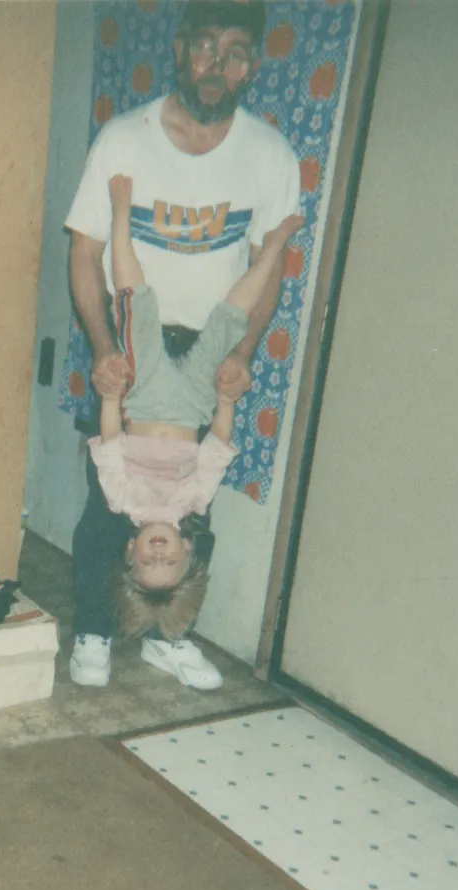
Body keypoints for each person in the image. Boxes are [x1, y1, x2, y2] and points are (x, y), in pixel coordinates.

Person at [66, 0, 300, 690]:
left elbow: (270, 269)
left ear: (251, 64)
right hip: (131, 346)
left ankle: (172, 634)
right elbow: (84, 256)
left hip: (209, 349)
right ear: (178, 50)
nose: (217, 66)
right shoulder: (123, 139)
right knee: (107, 509)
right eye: (205, 48)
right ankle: (93, 629)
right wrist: (104, 347)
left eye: (234, 53)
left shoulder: (269, 155)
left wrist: (242, 356)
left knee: (194, 509)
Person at [93, 173, 302, 645]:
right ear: (188, 551)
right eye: (169, 562)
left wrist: (111, 398)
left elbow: (108, 444)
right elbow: (216, 447)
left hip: (142, 395)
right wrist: (225, 401)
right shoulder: (195, 502)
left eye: (149, 561)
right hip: (192, 405)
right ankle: (270, 250)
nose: (159, 553)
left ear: (131, 551)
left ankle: (121, 215)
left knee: (135, 305)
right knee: (229, 322)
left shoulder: (122, 499)